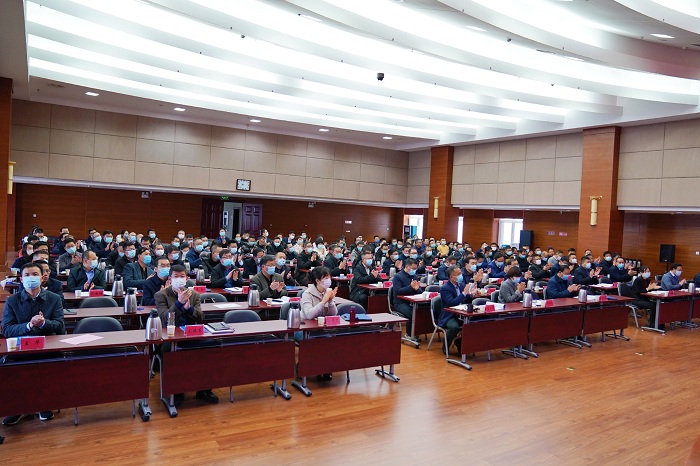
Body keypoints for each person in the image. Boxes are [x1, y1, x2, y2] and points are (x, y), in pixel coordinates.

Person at [2, 262, 65, 425]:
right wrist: (29, 325)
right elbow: (7, 329)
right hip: (20, 349)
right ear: (21, 279)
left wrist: (43, 323)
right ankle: (18, 407)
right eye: (27, 275)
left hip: (47, 347)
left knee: (48, 365)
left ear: (42, 277)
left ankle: (43, 404)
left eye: (35, 274)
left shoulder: (54, 298)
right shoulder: (12, 300)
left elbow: (59, 325)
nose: (31, 278)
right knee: (13, 368)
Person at [154, 265, 217, 405]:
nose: (179, 279)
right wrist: (178, 303)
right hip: (169, 336)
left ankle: (204, 390)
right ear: (170, 279)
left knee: (211, 346)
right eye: (176, 276)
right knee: (172, 352)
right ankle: (176, 392)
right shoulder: (161, 295)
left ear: (187, 278)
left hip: (191, 334)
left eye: (182, 276)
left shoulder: (194, 295)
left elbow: (200, 318)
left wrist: (189, 308)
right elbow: (164, 320)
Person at [438, 265, 477, 354]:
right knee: (454, 327)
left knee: (473, 324)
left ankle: (459, 342)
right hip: (449, 315)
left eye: (461, 273)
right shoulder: (445, 288)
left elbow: (465, 299)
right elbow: (451, 303)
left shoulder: (461, 284)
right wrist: (464, 293)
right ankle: (446, 346)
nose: (461, 275)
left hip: (461, 313)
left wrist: (471, 294)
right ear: (452, 277)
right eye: (458, 274)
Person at [391, 258, 422, 337]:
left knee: (422, 311)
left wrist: (417, 289)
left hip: (412, 301)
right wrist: (410, 287)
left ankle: (417, 332)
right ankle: (409, 334)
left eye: (416, 268)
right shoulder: (398, 277)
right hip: (400, 303)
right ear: (407, 267)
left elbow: (419, 291)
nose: (414, 270)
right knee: (412, 313)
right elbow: (398, 291)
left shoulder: (414, 276)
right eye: (413, 268)